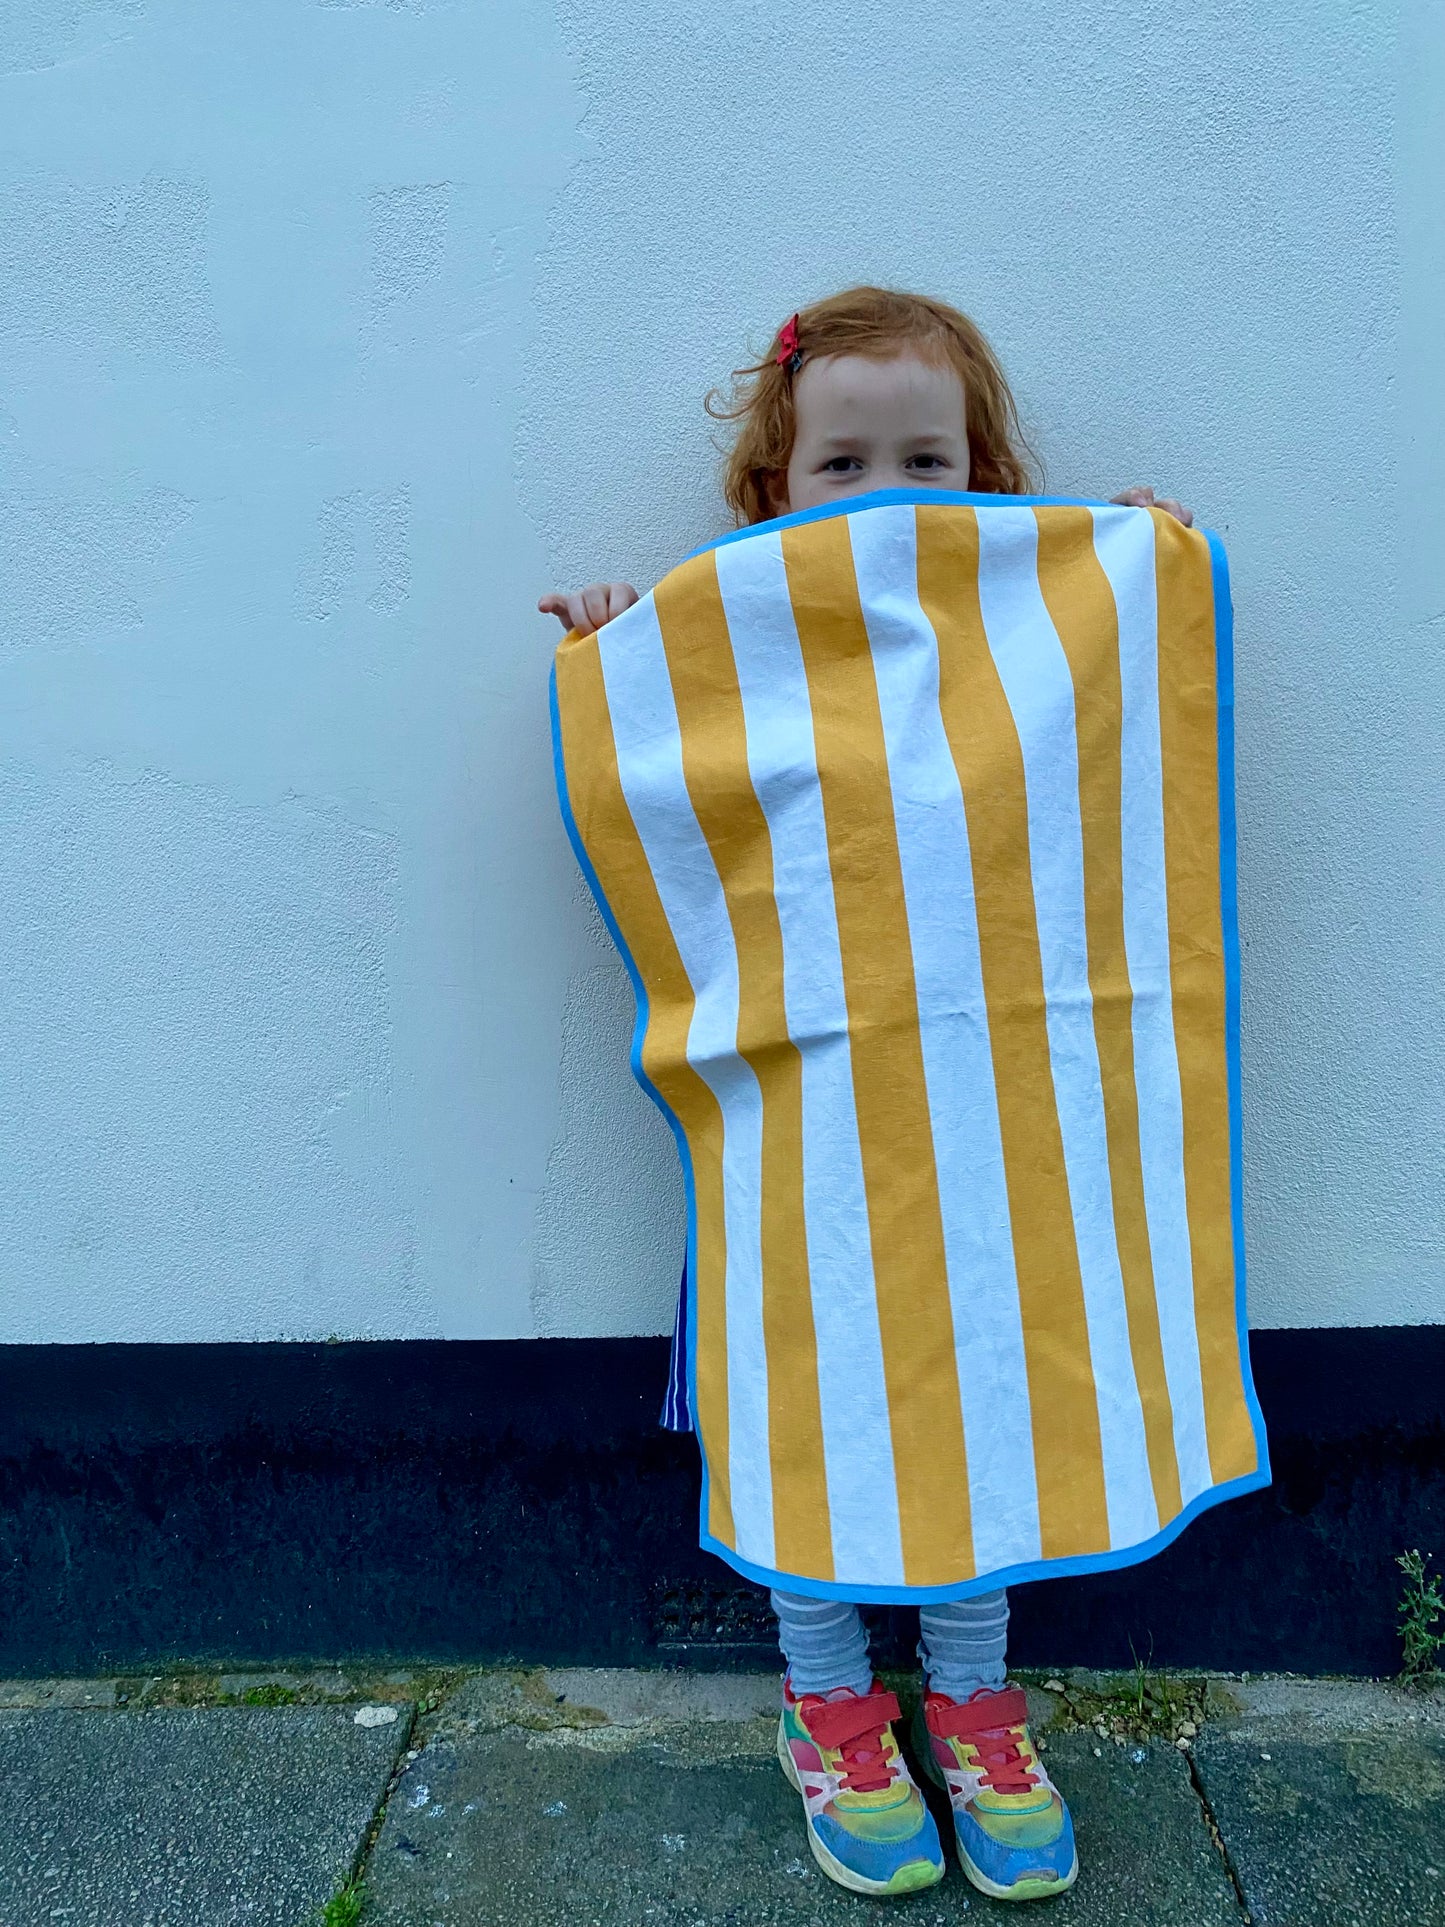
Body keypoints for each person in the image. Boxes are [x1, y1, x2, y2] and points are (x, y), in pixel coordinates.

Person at [539, 287, 1197, 1903]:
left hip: (990, 1124)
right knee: (812, 1389)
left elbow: (1099, 739)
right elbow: (681, 784)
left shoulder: (1021, 642)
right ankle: (829, 1706)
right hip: (808, 1127)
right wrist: (623, 651)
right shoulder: (736, 648)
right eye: (843, 461)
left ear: (988, 472)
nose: (889, 487)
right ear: (774, 487)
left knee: (988, 1382)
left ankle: (970, 1702)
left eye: (930, 454)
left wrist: (1138, 576)